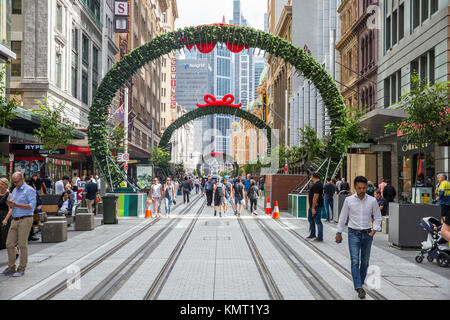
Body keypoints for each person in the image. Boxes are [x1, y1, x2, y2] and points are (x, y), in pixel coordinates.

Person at [335, 176, 382, 299]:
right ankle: (359, 287)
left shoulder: (372, 201)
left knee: (365, 262)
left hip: (367, 234)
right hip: (353, 234)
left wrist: (373, 232)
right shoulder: (349, 200)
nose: (362, 190)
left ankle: (359, 284)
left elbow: (378, 217)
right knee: (355, 261)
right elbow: (343, 217)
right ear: (355, 187)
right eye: (359, 188)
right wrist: (339, 233)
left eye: (364, 188)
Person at [2, 172, 36, 277]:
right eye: (14, 182)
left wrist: (16, 204)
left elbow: (31, 206)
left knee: (22, 244)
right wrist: (10, 203)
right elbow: (13, 205)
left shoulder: (29, 190)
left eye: (16, 182)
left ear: (22, 179)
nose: (15, 184)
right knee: (9, 243)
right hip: (15, 219)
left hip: (25, 219)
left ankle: (21, 268)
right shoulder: (15, 190)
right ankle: (11, 267)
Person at [307, 173, 324, 242]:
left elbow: (315, 196)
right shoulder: (317, 183)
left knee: (317, 221)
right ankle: (313, 233)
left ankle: (320, 237)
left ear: (313, 176)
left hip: (316, 206)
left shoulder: (317, 184)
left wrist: (313, 208)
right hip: (313, 206)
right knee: (310, 219)